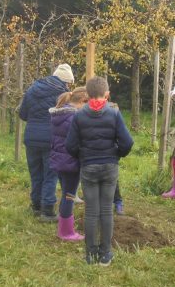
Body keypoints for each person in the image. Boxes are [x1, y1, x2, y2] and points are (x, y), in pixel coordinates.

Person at [65, 76, 134, 266]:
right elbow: (128, 142)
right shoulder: (113, 114)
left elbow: (70, 145)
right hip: (109, 167)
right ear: (107, 94)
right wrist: (116, 154)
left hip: (88, 167)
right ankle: (106, 254)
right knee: (106, 211)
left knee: (91, 212)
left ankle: (90, 255)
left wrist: (82, 156)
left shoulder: (79, 115)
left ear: (87, 94)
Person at [19, 63, 73, 222]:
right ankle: (47, 211)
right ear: (66, 81)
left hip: (31, 137)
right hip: (52, 139)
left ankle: (35, 205)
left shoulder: (32, 89)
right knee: (51, 174)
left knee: (35, 173)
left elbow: (23, 114)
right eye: (69, 83)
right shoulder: (63, 94)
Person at [49, 86, 89, 241]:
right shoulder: (74, 118)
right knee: (69, 195)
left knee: (66, 193)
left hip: (59, 160)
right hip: (70, 163)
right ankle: (66, 231)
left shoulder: (59, 114)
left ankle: (64, 226)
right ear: (82, 101)